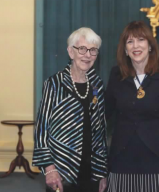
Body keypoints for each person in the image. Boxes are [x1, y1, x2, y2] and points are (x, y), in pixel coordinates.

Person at [105, 21, 159, 192]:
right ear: (125, 50)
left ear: (150, 45)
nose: (136, 46)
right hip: (122, 161)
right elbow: (103, 116)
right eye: (130, 42)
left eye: (141, 40)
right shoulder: (115, 75)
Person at [33, 27, 108, 192]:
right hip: (62, 170)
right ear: (70, 52)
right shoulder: (54, 83)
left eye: (93, 50)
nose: (87, 55)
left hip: (91, 170)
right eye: (82, 49)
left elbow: (100, 130)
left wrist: (102, 171)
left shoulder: (97, 84)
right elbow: (41, 130)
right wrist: (49, 168)